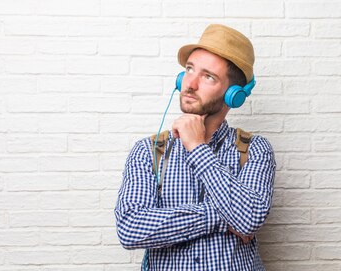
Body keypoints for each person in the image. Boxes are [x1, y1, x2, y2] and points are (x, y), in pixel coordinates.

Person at [114, 24, 276, 270]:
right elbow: (130, 229)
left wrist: (198, 148)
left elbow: (249, 219)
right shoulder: (147, 151)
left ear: (234, 94)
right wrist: (222, 216)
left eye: (208, 76)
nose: (189, 84)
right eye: (189, 69)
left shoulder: (255, 149)